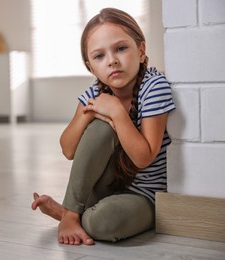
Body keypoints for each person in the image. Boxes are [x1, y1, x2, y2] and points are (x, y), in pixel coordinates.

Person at [31, 7, 175, 246]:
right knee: (100, 127)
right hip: (109, 187)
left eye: (121, 48)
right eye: (99, 56)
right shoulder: (94, 93)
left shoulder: (154, 86)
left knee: (103, 224)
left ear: (141, 51)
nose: (112, 61)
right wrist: (88, 113)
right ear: (90, 67)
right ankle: (72, 213)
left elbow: (144, 157)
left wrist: (118, 113)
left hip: (148, 196)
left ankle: (67, 213)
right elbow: (68, 150)